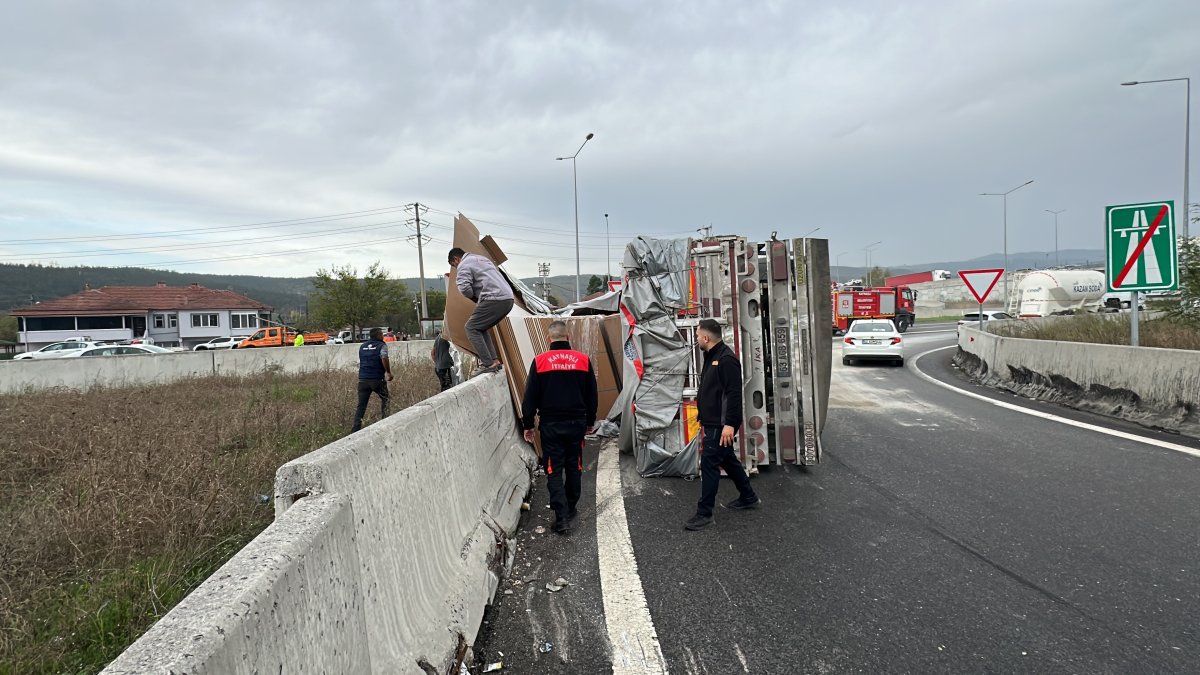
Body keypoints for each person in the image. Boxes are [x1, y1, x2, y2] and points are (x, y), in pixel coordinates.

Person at [521, 321, 598, 535]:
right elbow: (592, 394)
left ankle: (561, 516)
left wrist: (528, 425)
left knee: (553, 469)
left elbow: (529, 398)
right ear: (568, 337)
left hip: (551, 425)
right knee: (575, 465)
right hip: (576, 424)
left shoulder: (540, 361)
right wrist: (590, 421)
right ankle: (570, 507)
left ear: (549, 339)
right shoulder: (582, 360)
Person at [685, 318, 760, 531]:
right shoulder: (712, 356)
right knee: (727, 459)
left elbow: (733, 394)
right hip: (714, 421)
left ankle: (704, 514)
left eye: (698, 336)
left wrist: (729, 424)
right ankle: (748, 496)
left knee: (709, 465)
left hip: (721, 424)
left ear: (706, 338)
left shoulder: (726, 359)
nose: (697, 339)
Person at [449, 247, 514, 375]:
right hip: (507, 298)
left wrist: (474, 296)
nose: (456, 267)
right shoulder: (481, 259)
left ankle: (488, 363)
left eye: (454, 265)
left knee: (471, 328)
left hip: (494, 298)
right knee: (480, 328)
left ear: (456, 259)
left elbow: (464, 288)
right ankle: (494, 361)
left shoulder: (463, 264)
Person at [351, 327, 393, 432]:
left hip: (363, 380)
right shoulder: (382, 345)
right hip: (377, 379)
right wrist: (388, 372)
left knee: (361, 406)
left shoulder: (362, 346)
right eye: (381, 334)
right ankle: (385, 422)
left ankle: (355, 429)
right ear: (379, 335)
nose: (383, 336)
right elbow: (384, 357)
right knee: (385, 399)